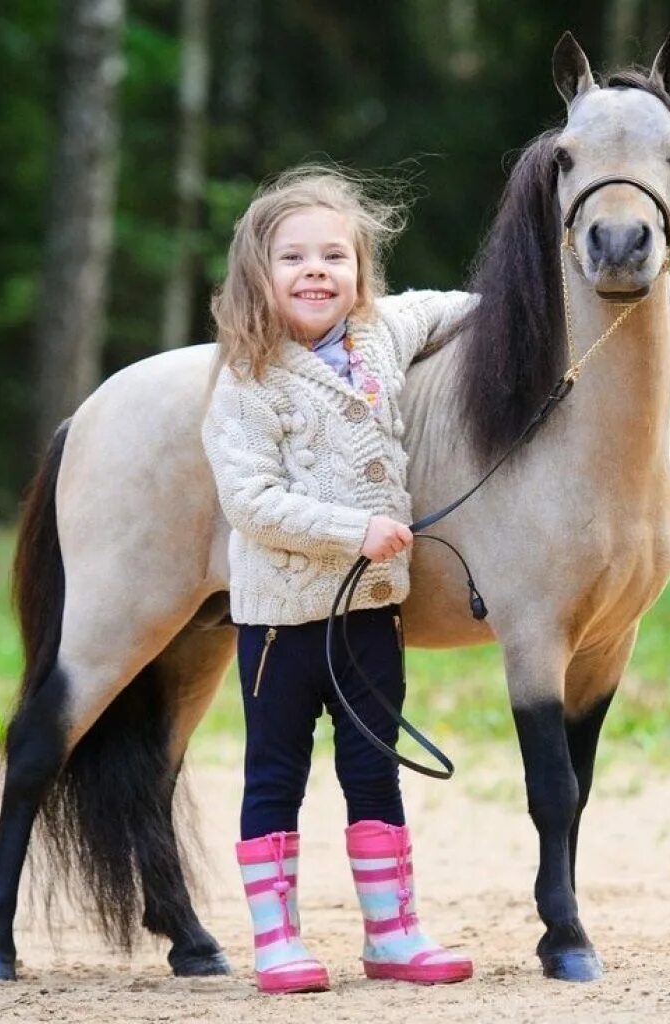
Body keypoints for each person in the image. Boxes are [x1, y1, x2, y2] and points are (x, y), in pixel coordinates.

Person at [202, 166, 476, 995]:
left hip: (368, 615)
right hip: (282, 623)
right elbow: (251, 502)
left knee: (373, 771)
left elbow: (449, 304)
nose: (317, 270)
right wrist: (352, 530)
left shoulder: (381, 336)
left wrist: (519, 297)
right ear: (259, 273)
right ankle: (276, 940)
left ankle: (393, 933)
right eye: (294, 257)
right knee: (275, 774)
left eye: (335, 255)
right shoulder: (246, 379)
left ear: (361, 271)